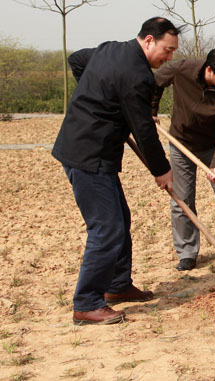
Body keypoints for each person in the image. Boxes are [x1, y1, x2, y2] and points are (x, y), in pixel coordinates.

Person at [53, 17, 180, 325]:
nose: (169, 57)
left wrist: (102, 96)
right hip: (89, 154)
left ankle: (117, 285)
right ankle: (86, 303)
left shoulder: (109, 49)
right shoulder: (138, 76)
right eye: (167, 50)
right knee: (107, 229)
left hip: (92, 151)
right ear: (148, 40)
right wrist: (162, 170)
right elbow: (144, 131)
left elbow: (77, 60)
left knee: (120, 219)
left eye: (173, 51)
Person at [151, 47, 215, 272]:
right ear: (209, 70)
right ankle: (187, 253)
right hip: (181, 143)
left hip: (214, 147)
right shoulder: (183, 69)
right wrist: (151, 110)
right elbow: (155, 82)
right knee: (182, 200)